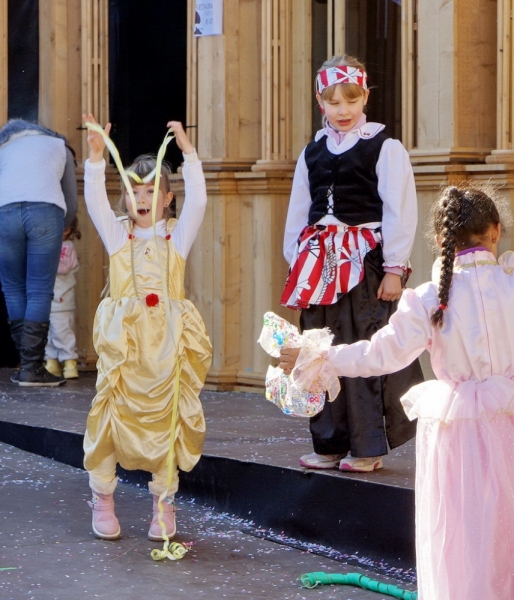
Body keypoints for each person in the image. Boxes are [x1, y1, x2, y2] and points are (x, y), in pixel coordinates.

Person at [279, 185, 514, 600]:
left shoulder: (427, 299)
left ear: (441, 240)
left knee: (462, 531)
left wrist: (319, 357)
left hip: (457, 430)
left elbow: (378, 354)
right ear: (496, 231)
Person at [281, 55, 424, 472]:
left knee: (363, 347)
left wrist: (395, 267)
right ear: (319, 101)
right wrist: (297, 267)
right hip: (318, 267)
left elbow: (400, 207)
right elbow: (298, 211)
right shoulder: (312, 153)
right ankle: (328, 441)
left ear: (365, 97)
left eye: (351, 99)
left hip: (364, 264)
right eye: (333, 101)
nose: (342, 110)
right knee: (318, 348)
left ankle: (367, 446)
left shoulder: (384, 147)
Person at [82, 114, 212, 542]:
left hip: (167, 344)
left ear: (168, 198)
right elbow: (95, 203)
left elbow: (199, 203)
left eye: (152, 190)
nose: (142, 198)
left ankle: (163, 505)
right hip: (126, 344)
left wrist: (189, 155)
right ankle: (102, 496)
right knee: (110, 415)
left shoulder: (177, 237)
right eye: (134, 191)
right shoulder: (119, 238)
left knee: (166, 420)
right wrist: (97, 159)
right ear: (125, 198)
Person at [0, 119, 78, 386]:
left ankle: (26, 364)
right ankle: (32, 368)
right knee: (39, 289)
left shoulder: (3, 148)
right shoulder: (59, 145)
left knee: (12, 288)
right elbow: (71, 200)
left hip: (4, 213)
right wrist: (65, 227)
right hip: (46, 211)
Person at [45, 216, 81, 379]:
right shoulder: (50, 246)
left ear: (66, 230)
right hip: (49, 299)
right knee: (48, 332)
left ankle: (69, 361)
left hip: (61, 299)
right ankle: (51, 361)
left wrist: (42, 260)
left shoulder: (66, 247)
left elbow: (63, 267)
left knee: (62, 332)